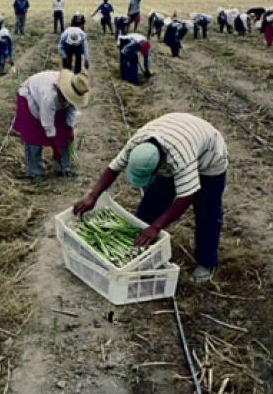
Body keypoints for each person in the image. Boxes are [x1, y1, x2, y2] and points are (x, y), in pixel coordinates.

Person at [72, 112, 229, 283]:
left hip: (210, 157)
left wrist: (156, 226)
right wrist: (93, 196)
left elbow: (186, 197)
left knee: (207, 211)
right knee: (154, 199)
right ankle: (140, 250)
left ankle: (206, 261)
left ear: (160, 164)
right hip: (177, 135)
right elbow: (113, 168)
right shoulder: (137, 144)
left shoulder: (180, 158)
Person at [13, 69, 91, 180]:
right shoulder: (50, 96)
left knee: (64, 134)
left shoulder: (75, 89)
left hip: (50, 101)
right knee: (34, 135)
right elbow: (47, 124)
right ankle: (34, 171)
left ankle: (63, 168)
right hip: (30, 95)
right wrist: (55, 148)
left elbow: (71, 115)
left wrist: (69, 132)